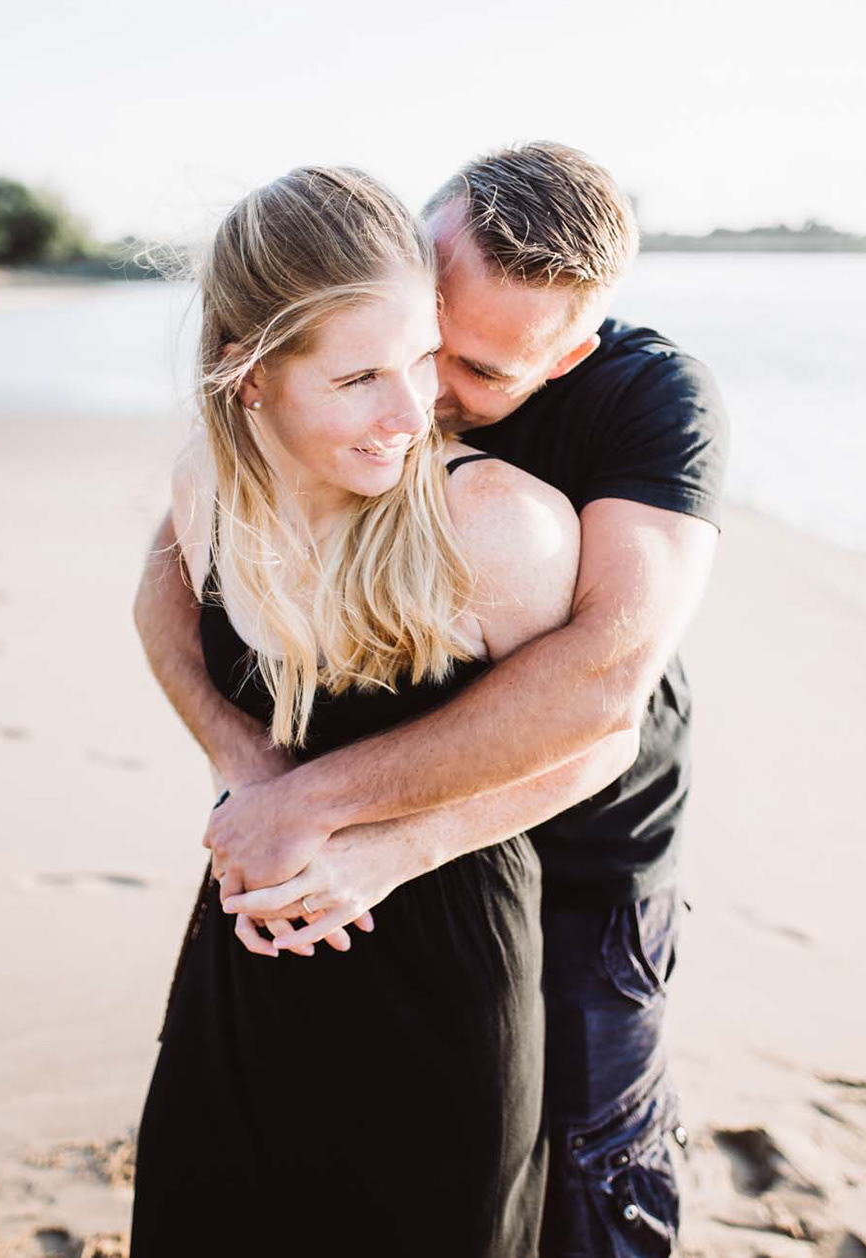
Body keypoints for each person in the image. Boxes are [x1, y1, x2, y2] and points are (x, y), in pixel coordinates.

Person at [137, 143, 727, 1256]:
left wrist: (340, 819)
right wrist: (251, 769)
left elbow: (606, 691)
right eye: (420, 341)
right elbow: (169, 587)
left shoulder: (635, 414)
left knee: (592, 1171)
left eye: (473, 371)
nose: (425, 404)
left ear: (564, 359)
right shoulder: (283, 429)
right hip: (315, 899)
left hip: (585, 865)